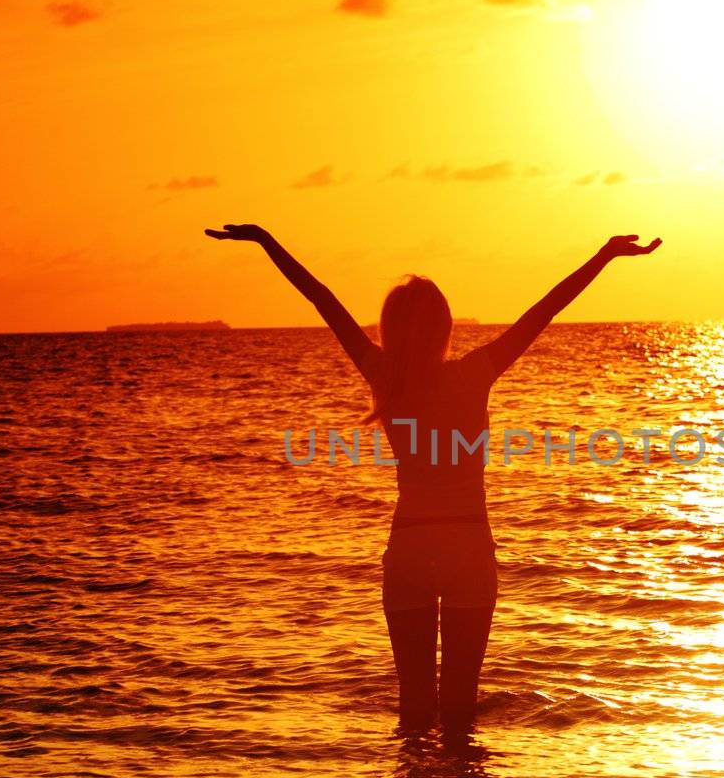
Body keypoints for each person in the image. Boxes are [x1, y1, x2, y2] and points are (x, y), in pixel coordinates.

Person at [205, 223, 661, 726]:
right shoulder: (475, 373)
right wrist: (604, 255)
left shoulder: (384, 376)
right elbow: (545, 310)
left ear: (390, 327)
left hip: (410, 550)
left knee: (414, 713)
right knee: (460, 712)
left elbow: (322, 300)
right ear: (445, 326)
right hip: (468, 545)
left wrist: (266, 241)